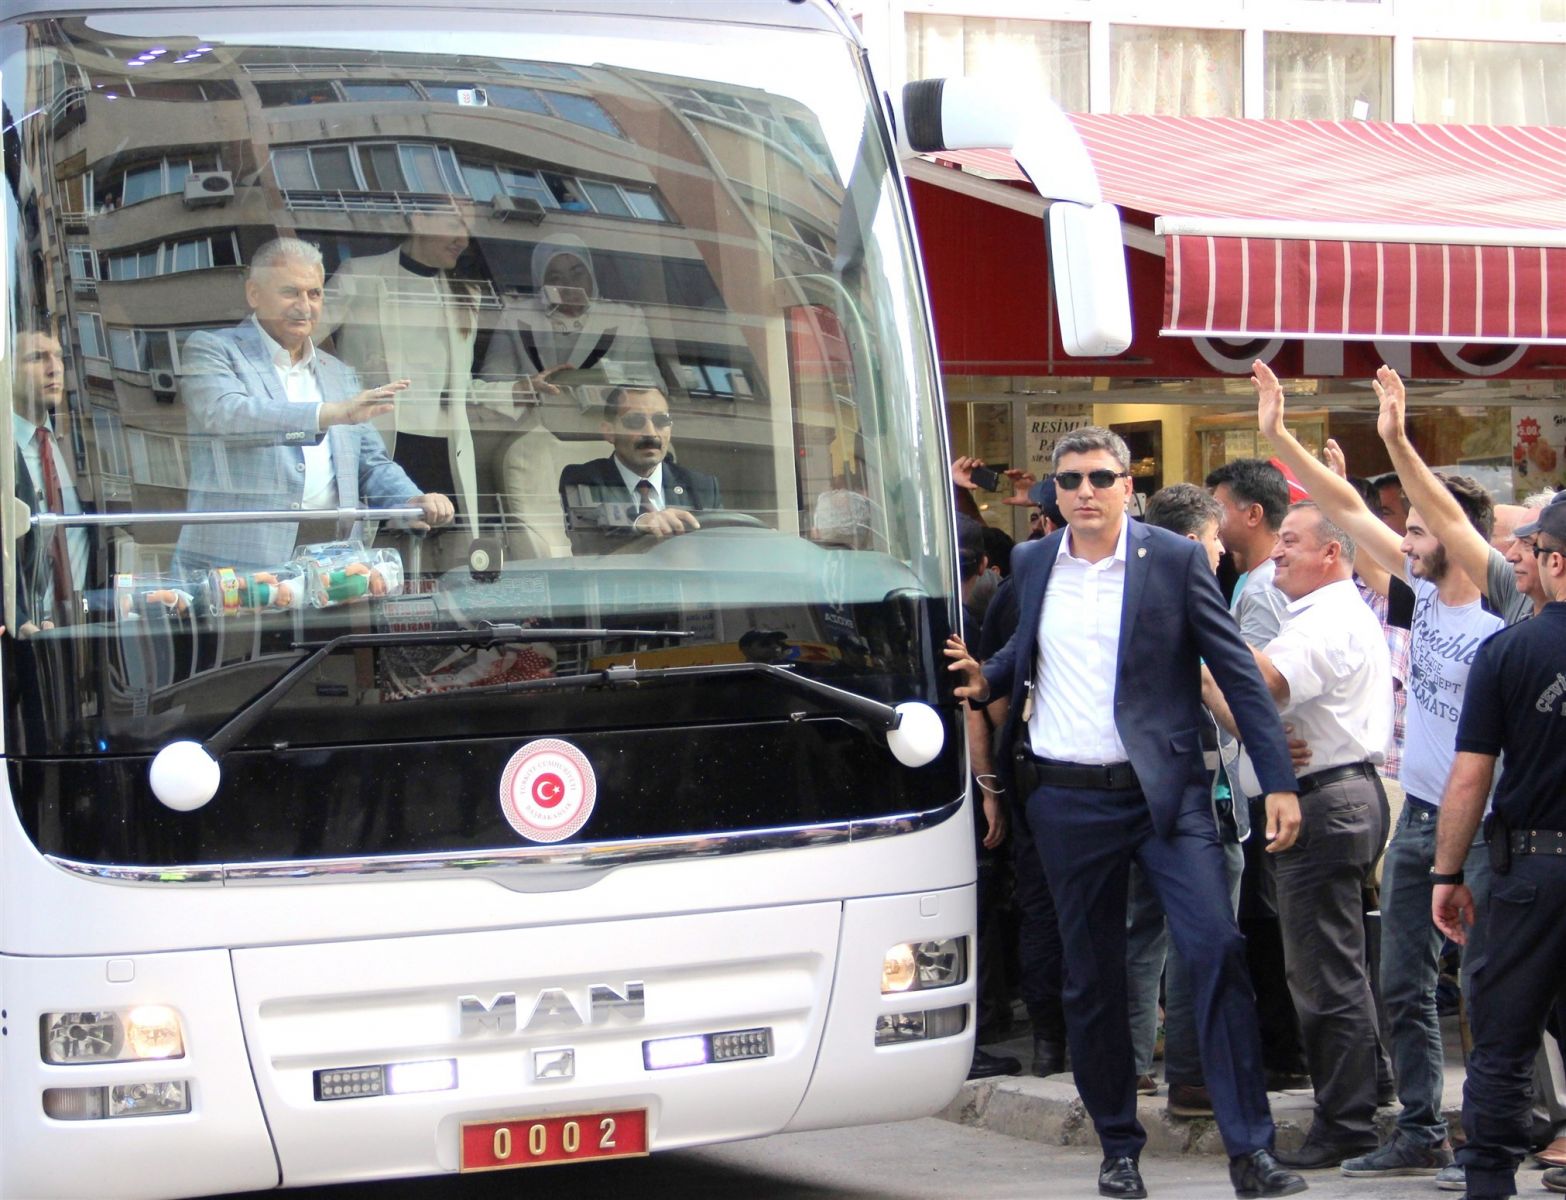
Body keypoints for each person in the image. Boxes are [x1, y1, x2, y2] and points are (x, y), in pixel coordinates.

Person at [946, 427, 1306, 1200]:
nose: (1084, 492)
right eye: (1069, 480)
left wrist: (1276, 779)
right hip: (1068, 798)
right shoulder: (1036, 561)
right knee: (1093, 981)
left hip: (1166, 799)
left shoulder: (1173, 560)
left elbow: (1235, 672)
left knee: (1215, 954)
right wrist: (987, 676)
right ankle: (1118, 1147)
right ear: (1054, 491)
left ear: (1126, 486)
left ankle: (1252, 1150)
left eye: (1100, 477)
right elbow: (1025, 648)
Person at [1256, 361, 1503, 1176]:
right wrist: (1279, 438)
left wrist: (1397, 439)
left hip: (1496, 827)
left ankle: (1516, 1122)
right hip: (1421, 820)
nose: (1407, 541)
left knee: (1502, 988)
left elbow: (1414, 514)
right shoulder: (1423, 596)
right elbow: (1347, 514)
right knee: (1404, 986)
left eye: (1422, 532)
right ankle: (1422, 1128)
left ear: (1457, 535)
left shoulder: (1501, 606)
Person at [1229, 496, 1393, 1171]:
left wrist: (1211, 649)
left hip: (1324, 801)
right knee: (1338, 965)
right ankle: (1363, 1093)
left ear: (1332, 553)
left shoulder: (1326, 618)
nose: (1277, 553)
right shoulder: (1324, 614)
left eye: (1290, 541)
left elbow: (1261, 684)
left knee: (1324, 975)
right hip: (1337, 795)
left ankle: (1346, 1121)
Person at [1431, 497, 1566, 1200]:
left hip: (1535, 868)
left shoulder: (1510, 649)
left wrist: (1447, 871)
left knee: (1506, 1032)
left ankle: (1488, 1176)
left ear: (1555, 561)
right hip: (1534, 863)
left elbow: (1470, 777)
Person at [176, 238, 453, 572]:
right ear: (254, 294)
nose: (304, 306)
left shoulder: (337, 372)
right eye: (290, 292)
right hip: (238, 570)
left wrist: (410, 501)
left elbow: (369, 464)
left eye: (315, 293)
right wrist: (328, 414)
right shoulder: (213, 349)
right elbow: (227, 414)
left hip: (333, 568)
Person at [320, 205, 534, 566]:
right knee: (377, 563)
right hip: (384, 447)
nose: (464, 239)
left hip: (445, 449)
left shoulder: (467, 294)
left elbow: (461, 387)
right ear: (418, 220)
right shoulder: (361, 274)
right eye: (455, 224)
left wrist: (518, 390)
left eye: (469, 229)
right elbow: (304, 341)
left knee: (450, 565)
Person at [1204, 458, 1313, 1093]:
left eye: (1220, 509)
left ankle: (1287, 1049)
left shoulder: (1268, 589)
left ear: (1251, 514)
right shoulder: (1247, 582)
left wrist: (1268, 749)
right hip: (1253, 783)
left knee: (1272, 923)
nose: (1216, 523)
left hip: (1273, 785)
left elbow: (1269, 688)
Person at [481, 234, 658, 409]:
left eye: (577, 273)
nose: (569, 284)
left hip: (606, 427)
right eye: (555, 278)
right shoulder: (515, 316)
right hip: (534, 428)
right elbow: (493, 385)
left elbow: (651, 386)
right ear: (542, 283)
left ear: (591, 274)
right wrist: (527, 388)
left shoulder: (628, 318)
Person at [557, 385, 719, 553]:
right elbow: (588, 533)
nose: (650, 433)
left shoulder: (702, 485)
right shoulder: (582, 478)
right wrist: (640, 522)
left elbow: (717, 547)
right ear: (609, 432)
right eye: (634, 421)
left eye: (661, 421)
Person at [11, 323, 87, 632]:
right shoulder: (6, 449)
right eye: (37, 358)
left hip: (85, 629)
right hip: (22, 637)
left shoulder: (81, 448)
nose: (54, 369)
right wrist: (14, 618)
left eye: (59, 356)